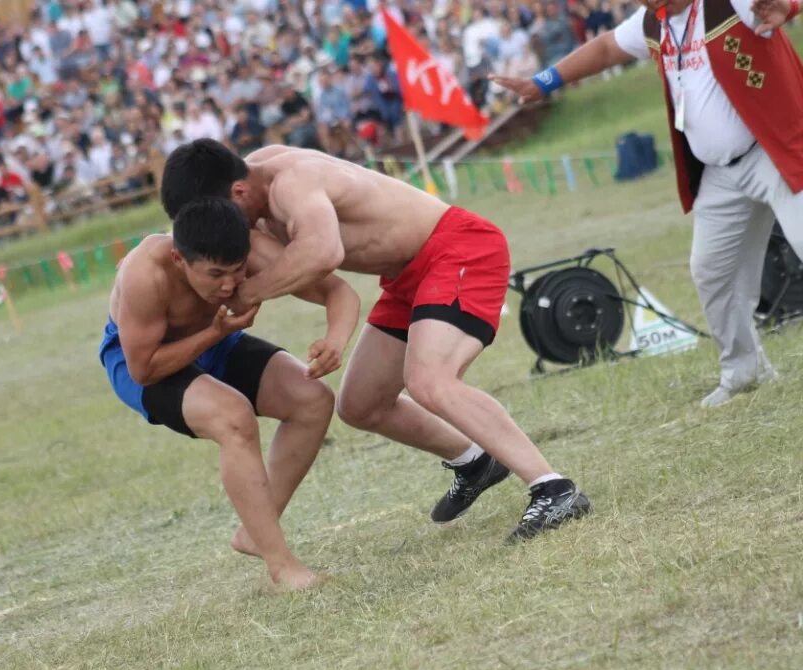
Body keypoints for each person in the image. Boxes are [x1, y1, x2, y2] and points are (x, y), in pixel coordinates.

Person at [161, 140, 592, 542]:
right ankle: (475, 461)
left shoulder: (292, 182)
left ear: (237, 191)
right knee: (361, 404)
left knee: (430, 381)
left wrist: (247, 294)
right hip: (409, 276)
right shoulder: (255, 185)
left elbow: (322, 251)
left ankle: (554, 489)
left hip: (457, 250)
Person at [491, 0, 803, 407]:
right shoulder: (654, 23)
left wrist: (790, 7)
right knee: (711, 271)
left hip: (776, 152)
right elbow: (604, 48)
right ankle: (744, 370)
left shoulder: (730, 3)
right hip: (721, 175)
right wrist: (543, 82)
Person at [99, 197, 360, 590]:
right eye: (215, 273)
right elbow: (144, 368)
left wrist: (335, 340)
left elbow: (337, 291)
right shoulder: (144, 273)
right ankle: (282, 567)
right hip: (143, 362)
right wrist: (213, 333)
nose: (227, 285)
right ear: (178, 259)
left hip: (215, 342)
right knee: (232, 417)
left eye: (236, 272)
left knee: (313, 399)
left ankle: (256, 532)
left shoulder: (249, 252)